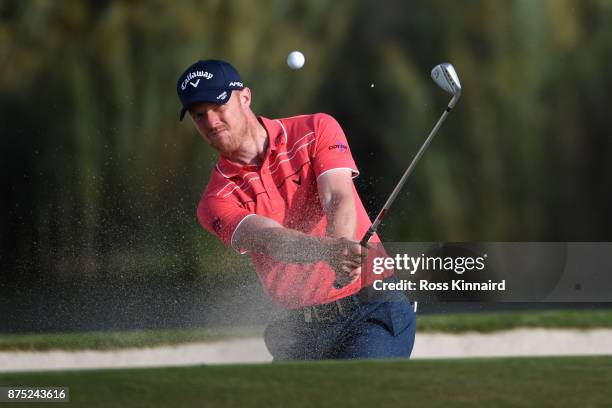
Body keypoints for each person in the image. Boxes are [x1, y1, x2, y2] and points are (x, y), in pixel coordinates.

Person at [177, 59, 416, 360]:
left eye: (218, 106)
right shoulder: (215, 200)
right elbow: (269, 239)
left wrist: (342, 249)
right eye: (199, 116)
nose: (211, 122)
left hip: (372, 310)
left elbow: (337, 197)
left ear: (245, 97)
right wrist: (330, 251)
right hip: (302, 334)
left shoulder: (316, 129)